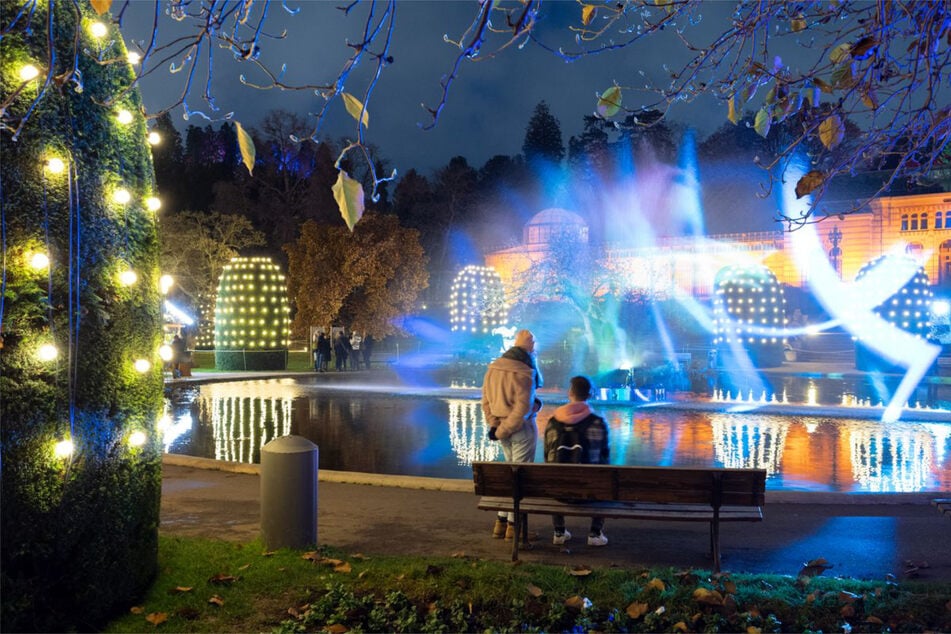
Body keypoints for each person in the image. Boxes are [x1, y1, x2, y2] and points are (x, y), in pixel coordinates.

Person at [481, 328, 542, 540]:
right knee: (520, 478)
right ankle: (514, 527)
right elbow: (522, 410)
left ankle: (501, 521)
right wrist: (504, 429)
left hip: (501, 428)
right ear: (530, 348)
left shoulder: (494, 367)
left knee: (510, 474)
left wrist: (495, 427)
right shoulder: (525, 372)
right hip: (521, 430)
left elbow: (486, 401)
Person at [543, 375, 610, 547]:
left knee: (554, 472)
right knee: (604, 477)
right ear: (589, 395)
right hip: (590, 491)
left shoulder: (552, 423)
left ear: (570, 393)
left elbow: (547, 456)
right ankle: (595, 533)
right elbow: (605, 458)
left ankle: (559, 532)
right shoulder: (598, 423)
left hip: (559, 492)